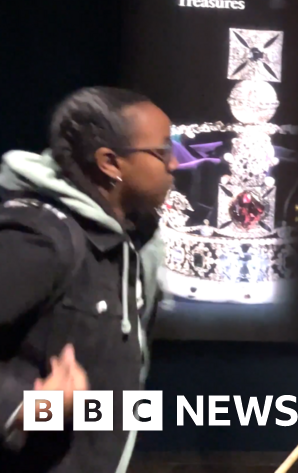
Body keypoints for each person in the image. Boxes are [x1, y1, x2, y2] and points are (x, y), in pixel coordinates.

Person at [0, 87, 176, 473]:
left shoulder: (127, 245)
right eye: (162, 152)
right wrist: (22, 408)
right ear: (110, 162)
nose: (175, 164)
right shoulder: (40, 237)